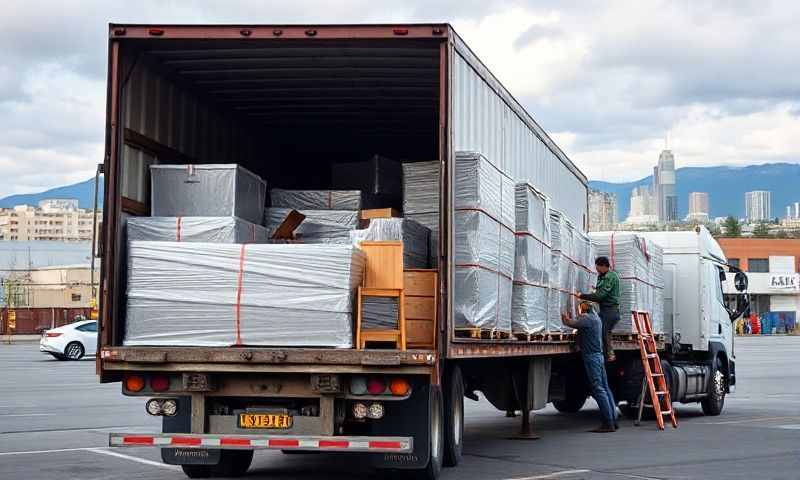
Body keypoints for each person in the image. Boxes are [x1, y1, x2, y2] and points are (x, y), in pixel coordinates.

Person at [562, 302, 618, 433]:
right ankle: (613, 420)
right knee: (605, 388)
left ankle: (608, 423)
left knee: (598, 389)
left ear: (586, 306)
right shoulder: (596, 318)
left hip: (592, 358)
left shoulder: (587, 319)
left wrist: (563, 313)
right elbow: (581, 331)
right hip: (599, 356)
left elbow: (568, 323)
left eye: (580, 305)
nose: (579, 307)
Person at [580, 256, 621, 362]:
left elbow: (600, 296)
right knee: (594, 326)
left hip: (610, 311)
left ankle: (609, 354)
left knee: (603, 331)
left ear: (603, 266)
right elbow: (598, 293)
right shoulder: (601, 276)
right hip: (604, 310)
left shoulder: (611, 277)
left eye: (598, 267)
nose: (596, 269)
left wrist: (582, 296)